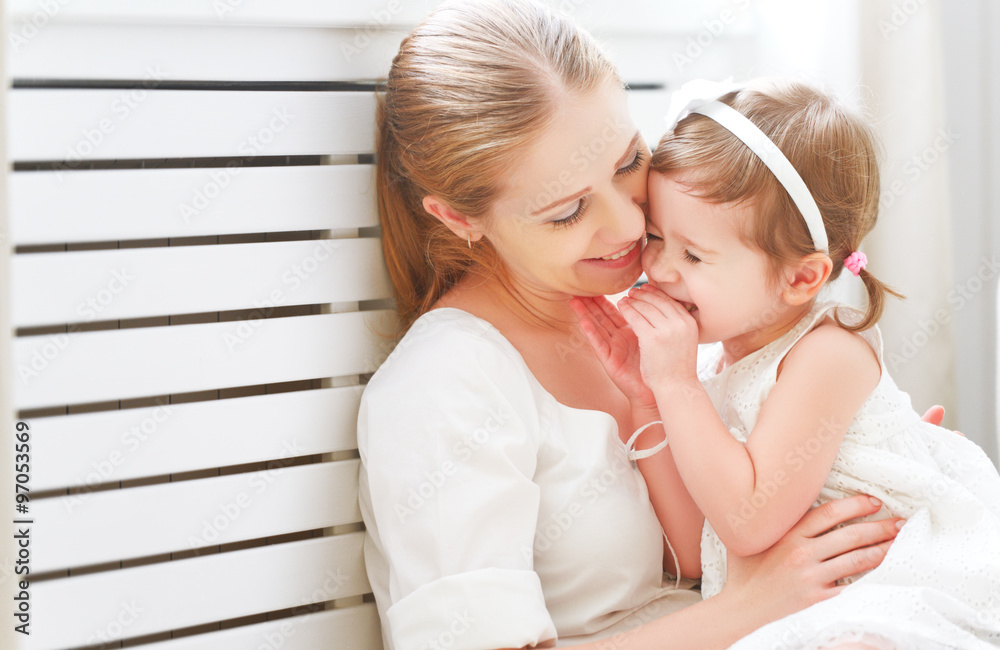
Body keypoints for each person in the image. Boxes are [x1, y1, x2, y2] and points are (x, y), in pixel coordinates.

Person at [358, 3, 937, 648]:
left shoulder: (655, 316)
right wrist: (752, 606)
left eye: (629, 162)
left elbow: (705, 547)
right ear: (459, 218)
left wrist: (869, 465)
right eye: (568, 210)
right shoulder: (447, 385)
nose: (634, 229)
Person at [573, 78, 1000, 649]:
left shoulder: (828, 355)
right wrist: (651, 398)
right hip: (792, 596)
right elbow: (699, 548)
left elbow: (748, 523)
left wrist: (676, 387)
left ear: (801, 279)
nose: (661, 267)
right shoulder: (708, 369)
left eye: (694, 254)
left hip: (890, 578)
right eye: (655, 235)